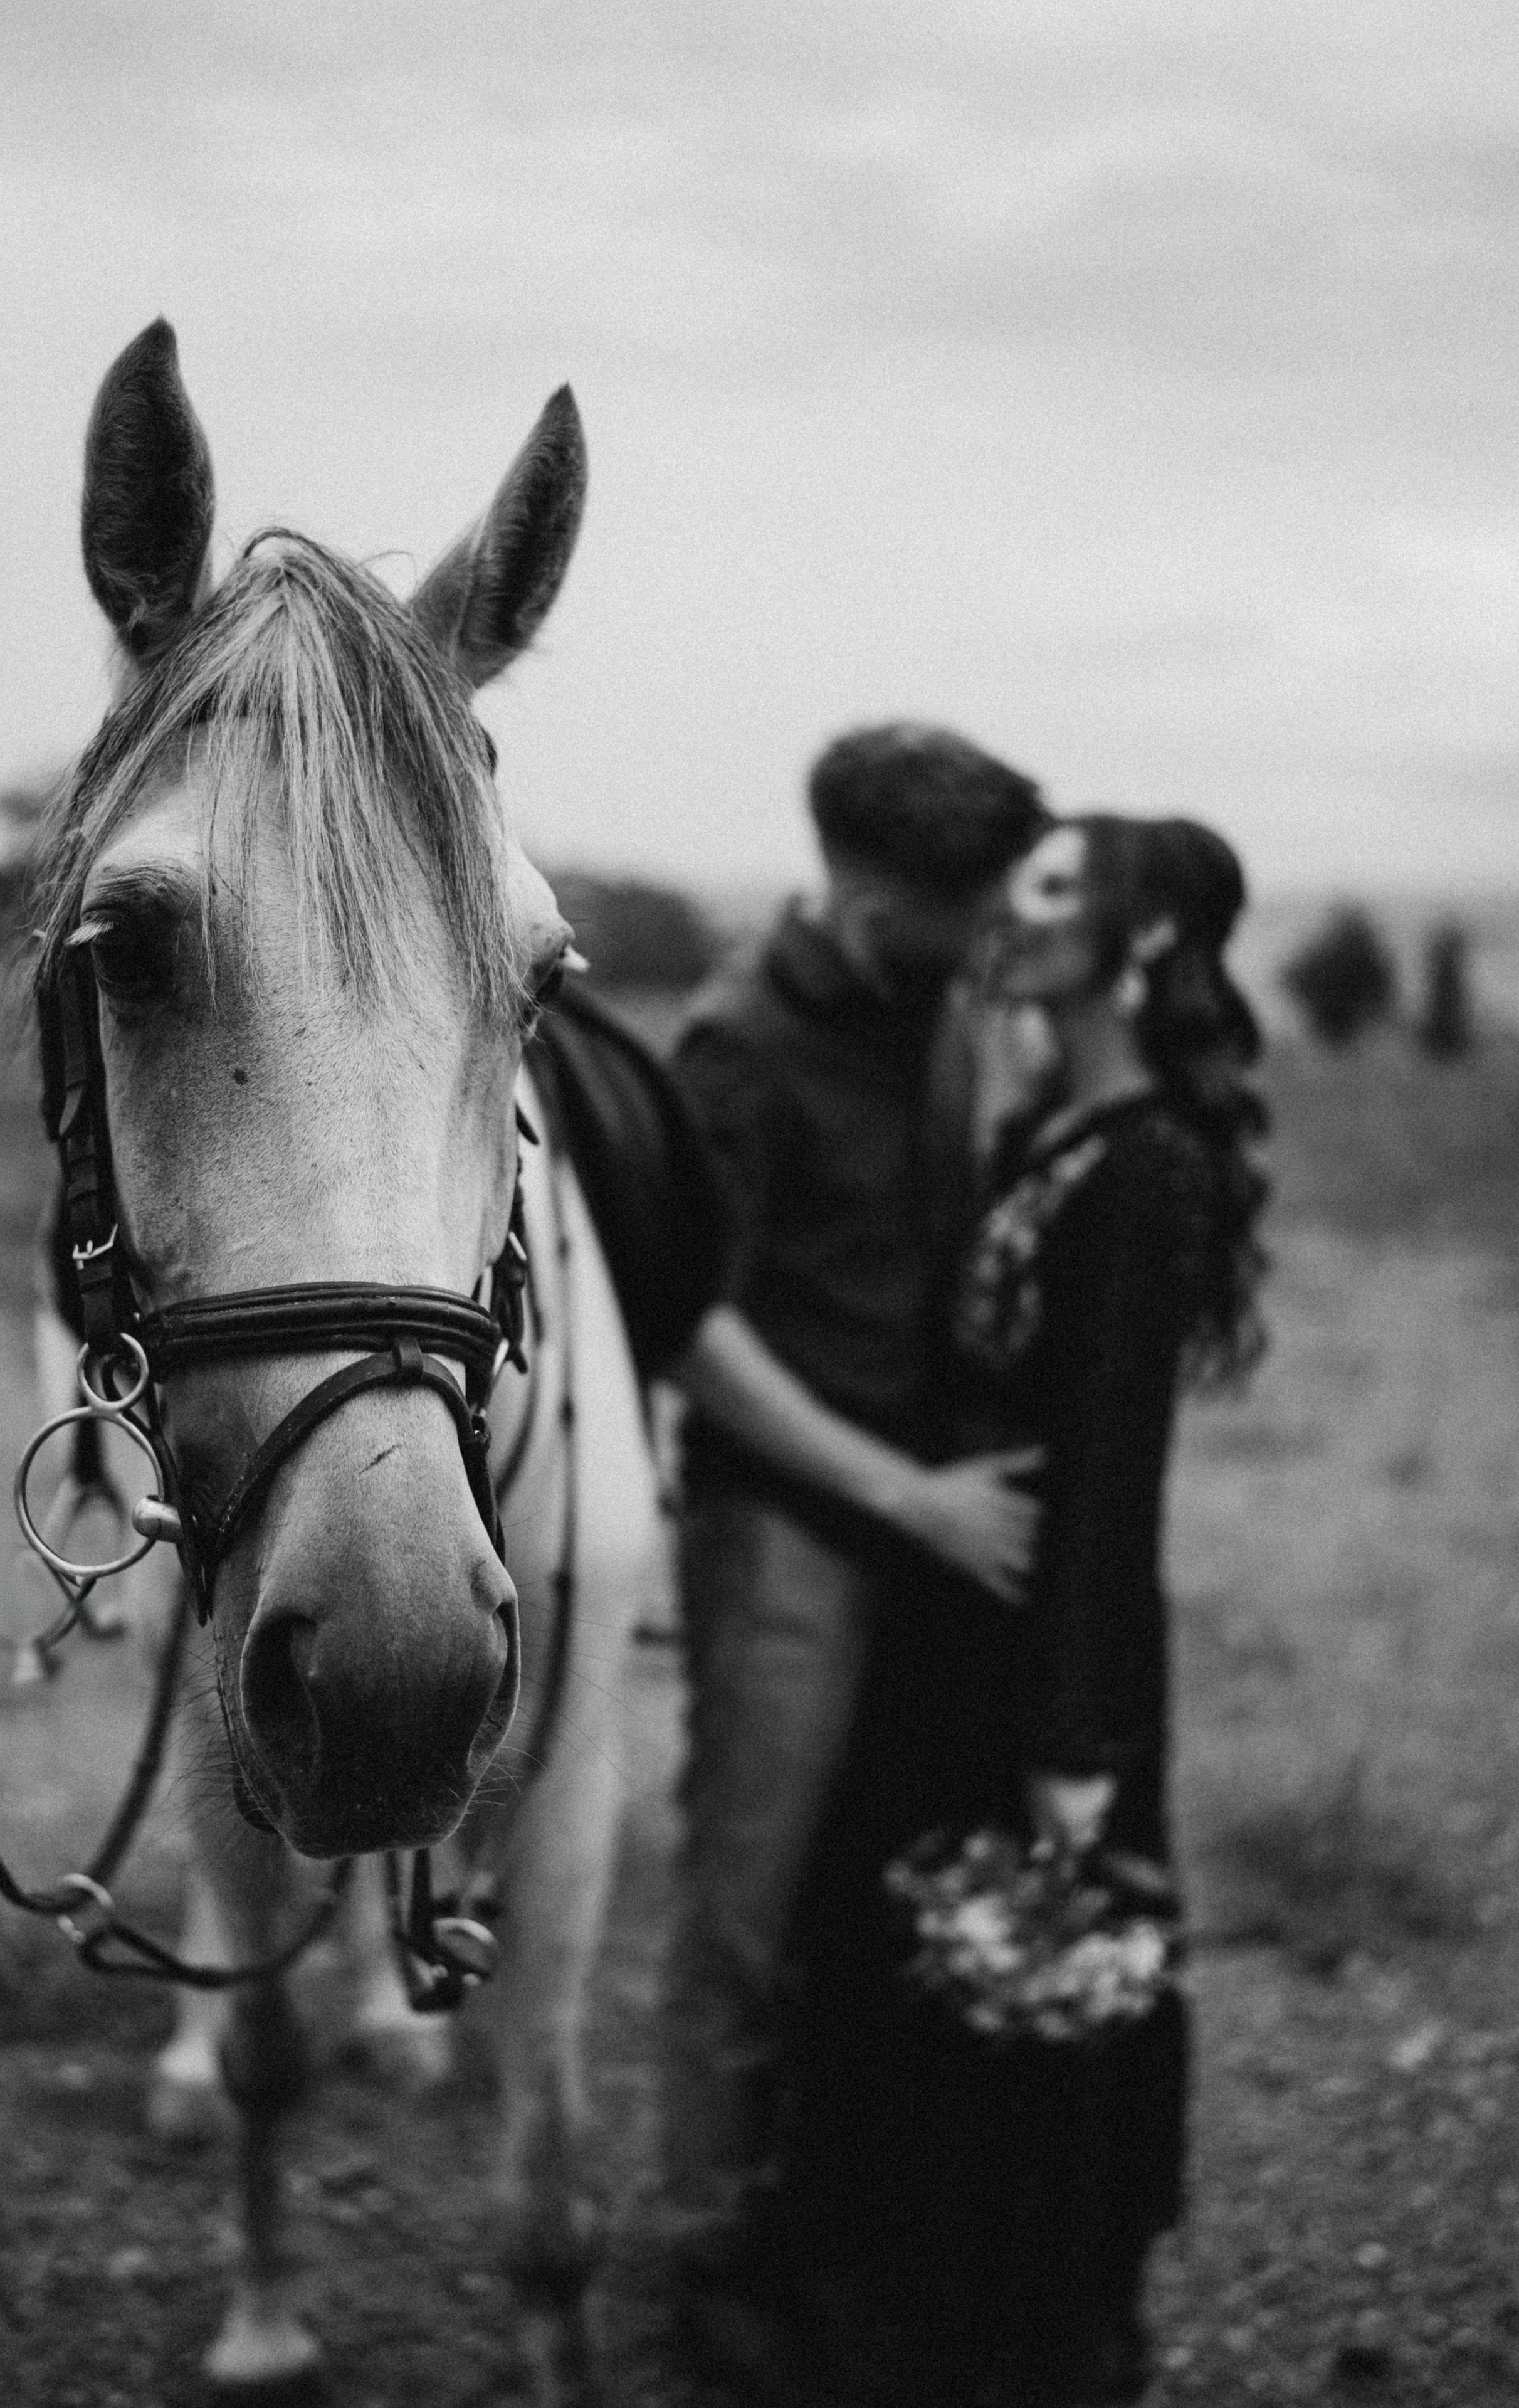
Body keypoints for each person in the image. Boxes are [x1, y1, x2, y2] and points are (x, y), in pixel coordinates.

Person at [779, 813, 1269, 2406]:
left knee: (1041, 1984)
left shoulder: (1141, 1171)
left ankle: (1038, 2339)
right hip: (957, 1629)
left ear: (1138, 947)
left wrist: (1073, 1737)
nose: (1016, 908)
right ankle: (923, 2315)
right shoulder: (1055, 1132)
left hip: (1049, 1651)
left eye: (1055, 889)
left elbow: (1110, 1481)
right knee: (929, 1965)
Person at [663, 723, 1053, 2379]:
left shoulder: (942, 1008)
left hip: (918, 1519)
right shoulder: (737, 1044)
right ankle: (697, 2256)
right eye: (977, 909)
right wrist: (906, 1498)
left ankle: (826, 2219)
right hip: (793, 1534)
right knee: (742, 1905)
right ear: (883, 895)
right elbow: (691, 1326)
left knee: (851, 1895)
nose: (998, 934)